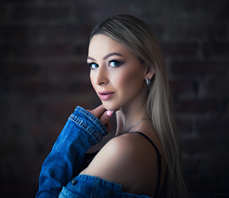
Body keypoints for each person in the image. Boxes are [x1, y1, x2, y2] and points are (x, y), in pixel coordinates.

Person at [36, 14, 188, 198]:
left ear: (148, 69)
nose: (99, 79)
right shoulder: (149, 141)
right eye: (93, 65)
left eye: (114, 63)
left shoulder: (124, 149)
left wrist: (74, 135)